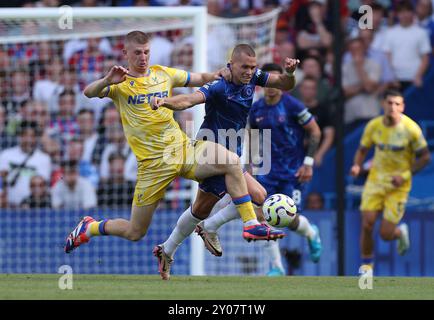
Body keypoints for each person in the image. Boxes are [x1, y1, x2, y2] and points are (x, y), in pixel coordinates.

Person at [64, 32, 279, 276]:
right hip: (152, 165)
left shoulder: (162, 73)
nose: (143, 57)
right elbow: (89, 93)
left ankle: (250, 224)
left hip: (183, 149)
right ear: (125, 54)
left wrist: (220, 74)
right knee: (135, 232)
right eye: (137, 53)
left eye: (146, 52)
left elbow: (197, 78)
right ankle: (90, 228)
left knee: (231, 162)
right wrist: (106, 80)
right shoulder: (119, 82)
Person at [151, 46, 300, 280]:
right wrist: (165, 101)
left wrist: (290, 73)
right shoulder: (219, 85)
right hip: (209, 152)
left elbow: (284, 83)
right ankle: (248, 224)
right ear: (231, 64)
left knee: (199, 211)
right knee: (259, 195)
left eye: (253, 67)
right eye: (245, 67)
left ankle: (167, 249)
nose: (250, 71)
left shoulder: (255, 77)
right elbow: (189, 100)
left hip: (230, 155)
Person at [188, 63, 323, 277]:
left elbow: (315, 131)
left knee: (290, 218)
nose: (271, 88)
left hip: (292, 172)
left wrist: (308, 162)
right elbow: (251, 137)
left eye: (276, 82)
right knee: (262, 214)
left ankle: (311, 232)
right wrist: (249, 164)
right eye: (269, 83)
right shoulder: (256, 108)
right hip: (266, 170)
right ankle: (277, 266)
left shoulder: (293, 106)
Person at [350, 90, 431, 274]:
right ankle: (367, 267)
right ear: (383, 104)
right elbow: (363, 149)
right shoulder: (374, 125)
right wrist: (356, 165)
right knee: (367, 223)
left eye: (397, 104)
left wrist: (404, 175)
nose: (392, 107)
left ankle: (399, 232)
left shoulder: (411, 129)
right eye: (389, 103)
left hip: (399, 186)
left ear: (402, 107)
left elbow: (425, 157)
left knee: (385, 234)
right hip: (375, 181)